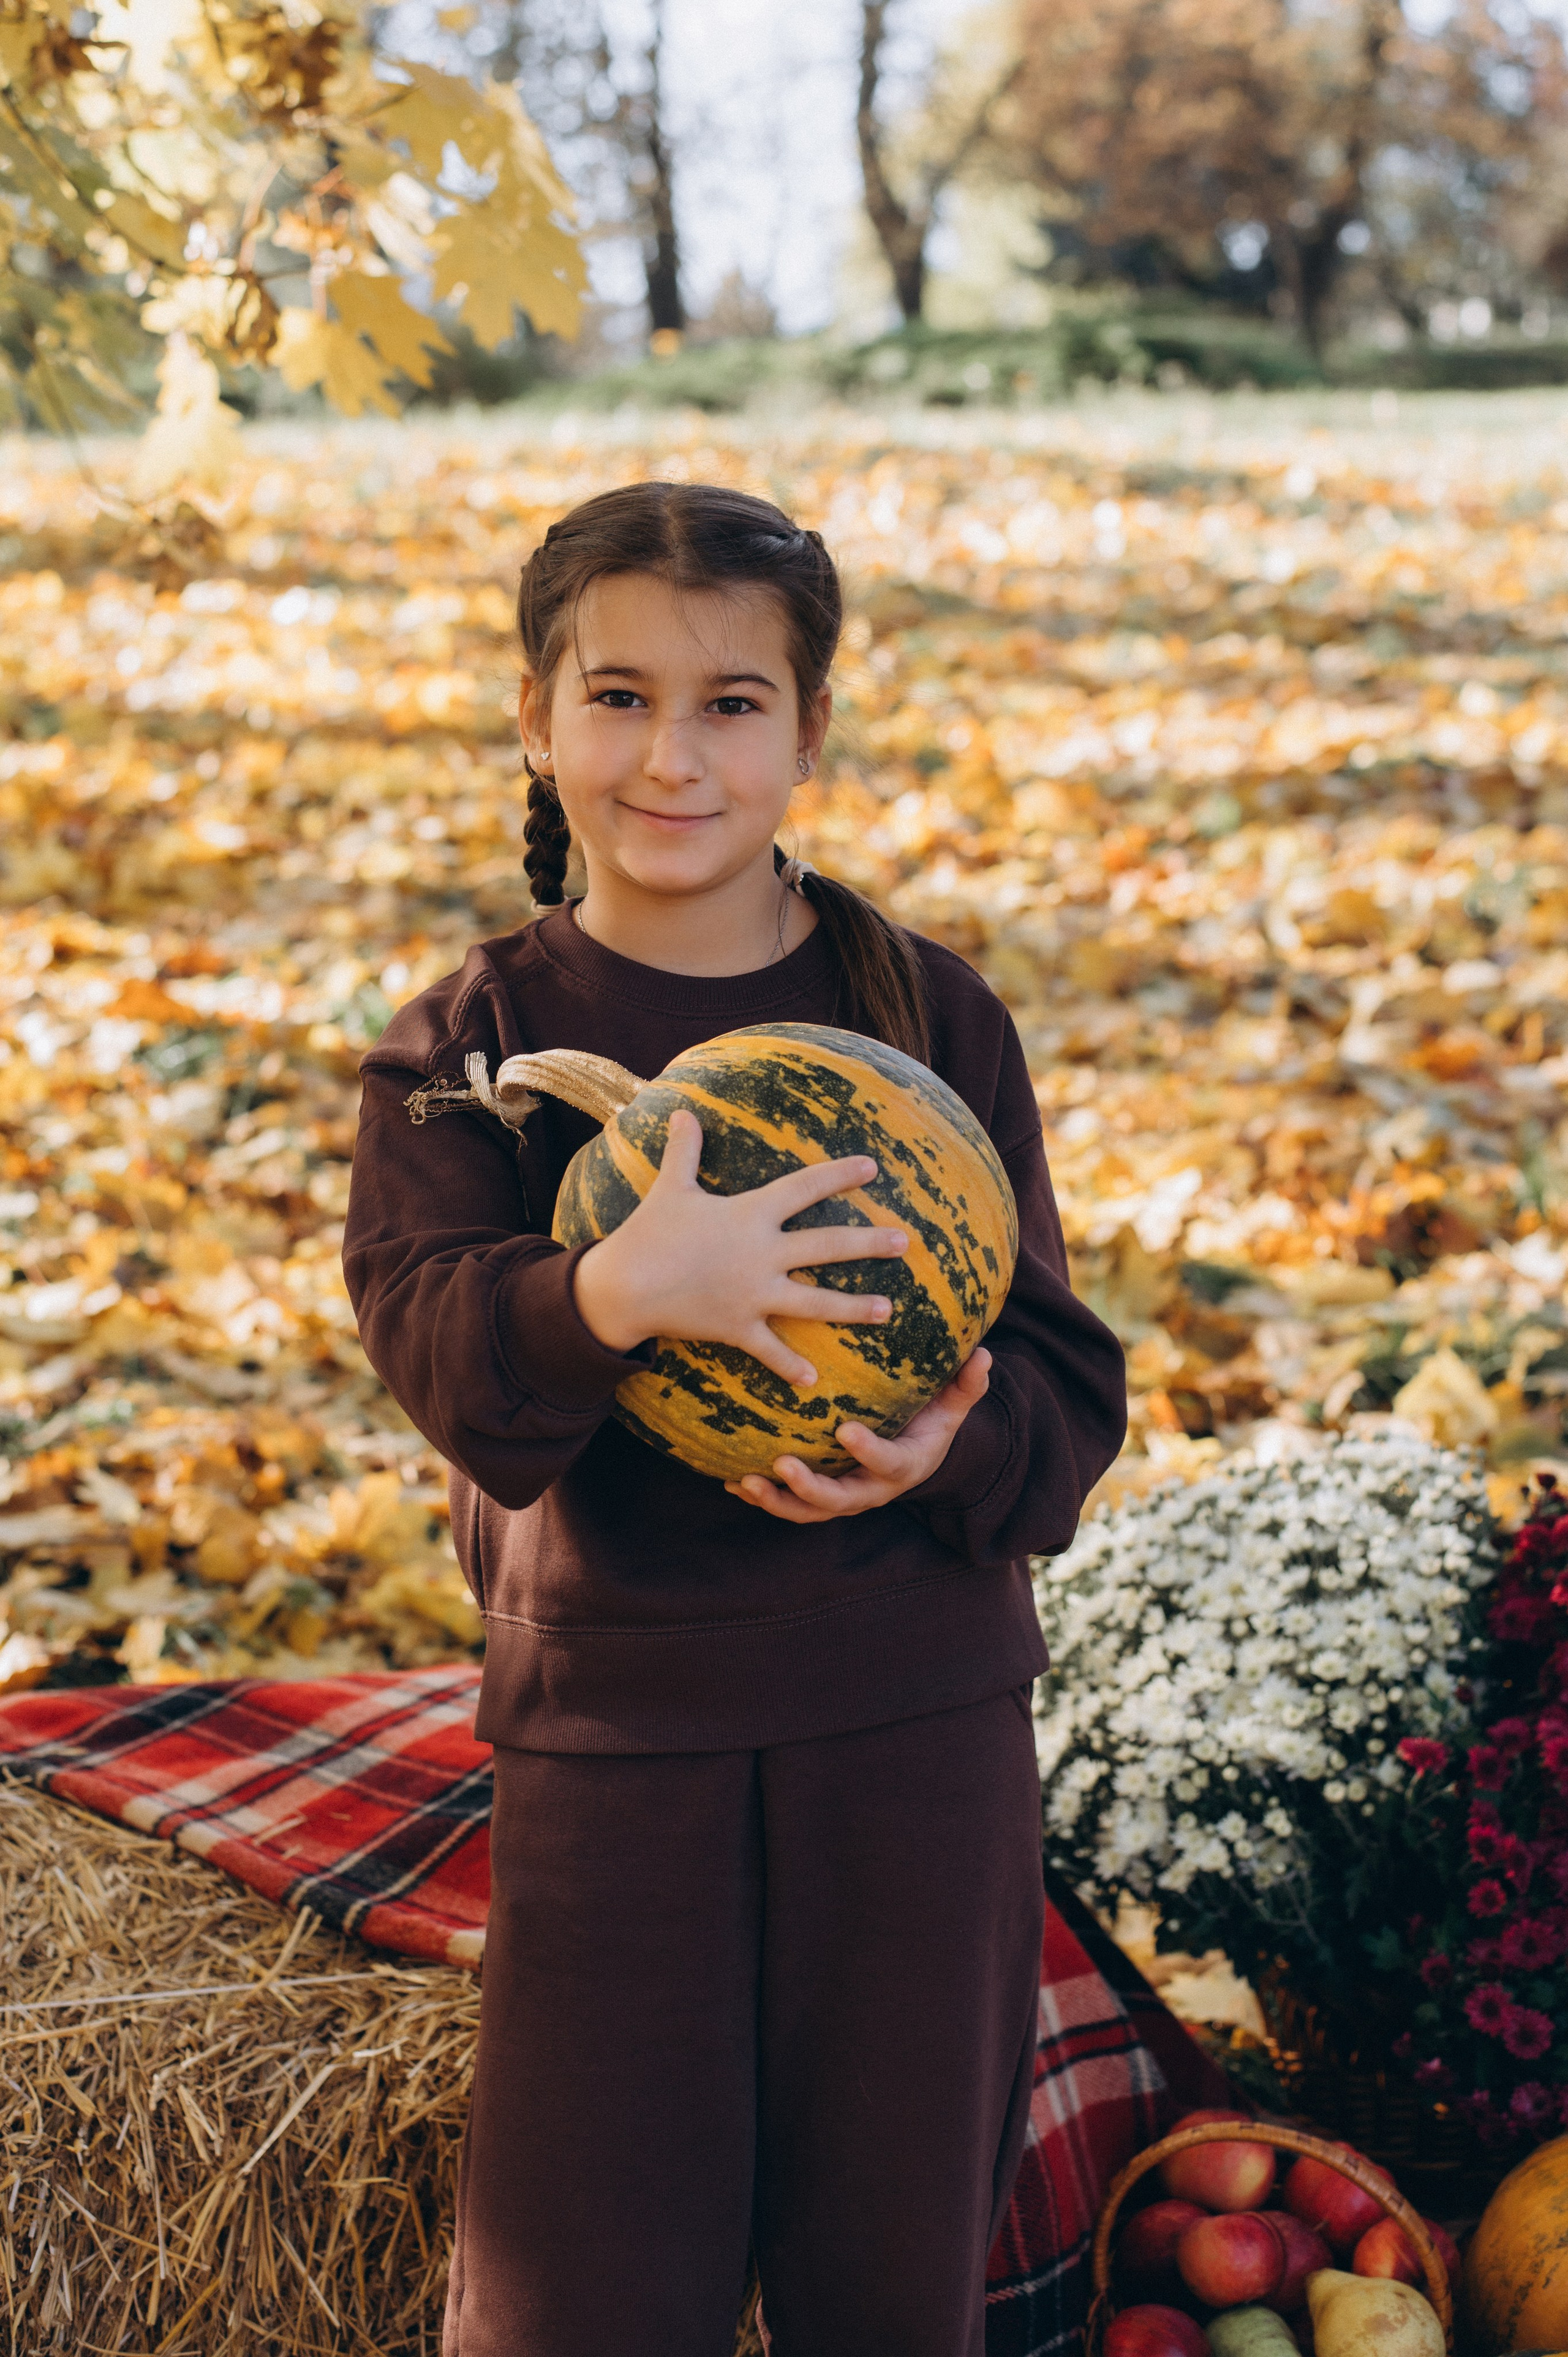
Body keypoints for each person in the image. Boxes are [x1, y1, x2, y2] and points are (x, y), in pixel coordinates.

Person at [342, 481, 1127, 2357]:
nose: (671, 756)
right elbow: (430, 1338)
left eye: (732, 705)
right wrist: (620, 1289)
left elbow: (1069, 1385)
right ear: (536, 720)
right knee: (583, 2290)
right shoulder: (471, 1051)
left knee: (887, 2293)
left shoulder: (925, 1018)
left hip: (916, 1728)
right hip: (624, 1738)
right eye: (616, 699)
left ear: (810, 731)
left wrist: (966, 1441)